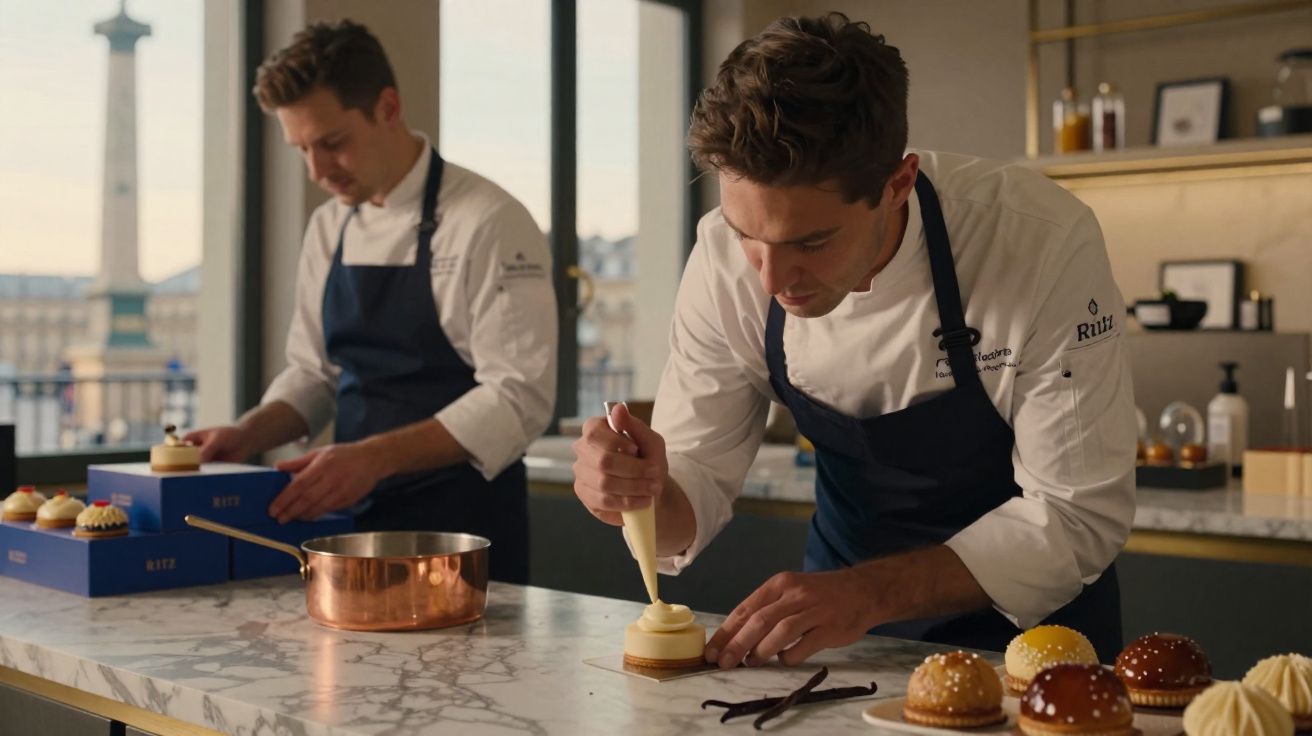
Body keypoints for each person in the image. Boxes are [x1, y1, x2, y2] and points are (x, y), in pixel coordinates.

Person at [571, 13, 1134, 667]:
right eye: (747, 234)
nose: (772, 277)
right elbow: (690, 489)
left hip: (1035, 645)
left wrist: (864, 593)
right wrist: (634, 492)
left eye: (810, 242)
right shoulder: (722, 258)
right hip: (839, 641)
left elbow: (1074, 516)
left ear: (897, 185)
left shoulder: (1036, 241)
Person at [188, 20, 557, 584]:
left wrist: (373, 457)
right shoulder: (328, 226)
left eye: (332, 143)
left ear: (388, 107)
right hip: (350, 525)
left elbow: (519, 396)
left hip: (462, 532)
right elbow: (315, 373)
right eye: (303, 149)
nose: (317, 171)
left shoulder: (488, 220)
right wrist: (248, 432)